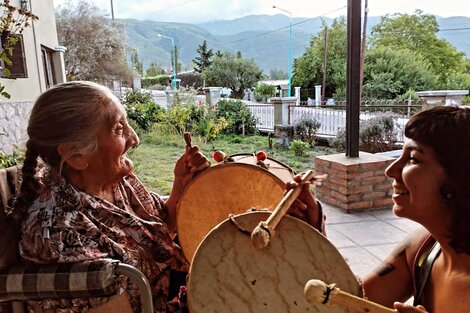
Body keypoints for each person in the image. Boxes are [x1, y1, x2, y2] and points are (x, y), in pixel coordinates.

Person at [10, 81, 211, 313]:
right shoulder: (59, 234)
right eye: (118, 128)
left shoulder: (117, 182)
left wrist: (181, 183)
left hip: (176, 290)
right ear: (76, 154)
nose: (134, 139)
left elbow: (161, 234)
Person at [298, 105, 470, 313]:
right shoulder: (424, 247)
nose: (390, 170)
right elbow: (355, 302)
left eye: (413, 159)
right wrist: (314, 232)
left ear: (460, 178)